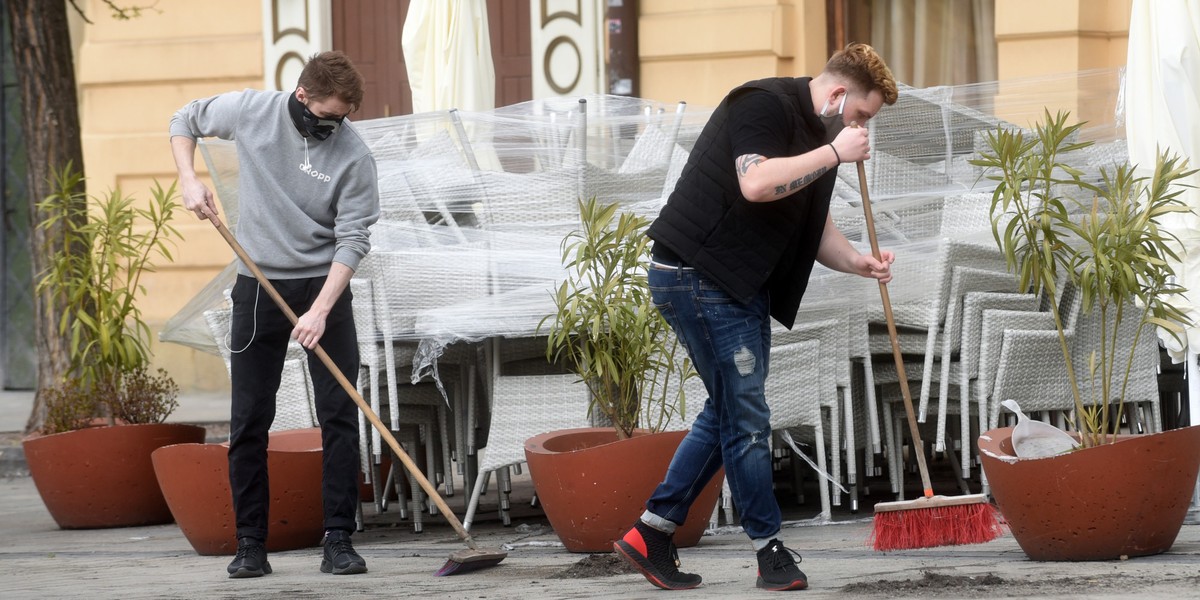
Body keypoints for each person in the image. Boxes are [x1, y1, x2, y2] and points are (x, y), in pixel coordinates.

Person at [613, 43, 898, 592]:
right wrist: (837, 153)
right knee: (746, 415)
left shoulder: (821, 137)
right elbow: (758, 182)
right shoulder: (762, 104)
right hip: (697, 276)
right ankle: (769, 551)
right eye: (862, 114)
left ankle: (651, 533)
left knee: (727, 411)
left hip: (735, 286)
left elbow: (813, 226)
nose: (863, 128)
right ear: (838, 94)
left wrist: (859, 262)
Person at [169, 50, 380, 578]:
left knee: (338, 414)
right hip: (258, 284)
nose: (335, 127)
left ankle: (338, 539)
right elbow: (183, 119)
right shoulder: (250, 111)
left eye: (344, 119)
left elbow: (353, 240)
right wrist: (188, 180)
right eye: (327, 117)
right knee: (248, 420)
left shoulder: (354, 157)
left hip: (323, 284)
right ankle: (250, 544)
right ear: (302, 97)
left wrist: (321, 310)